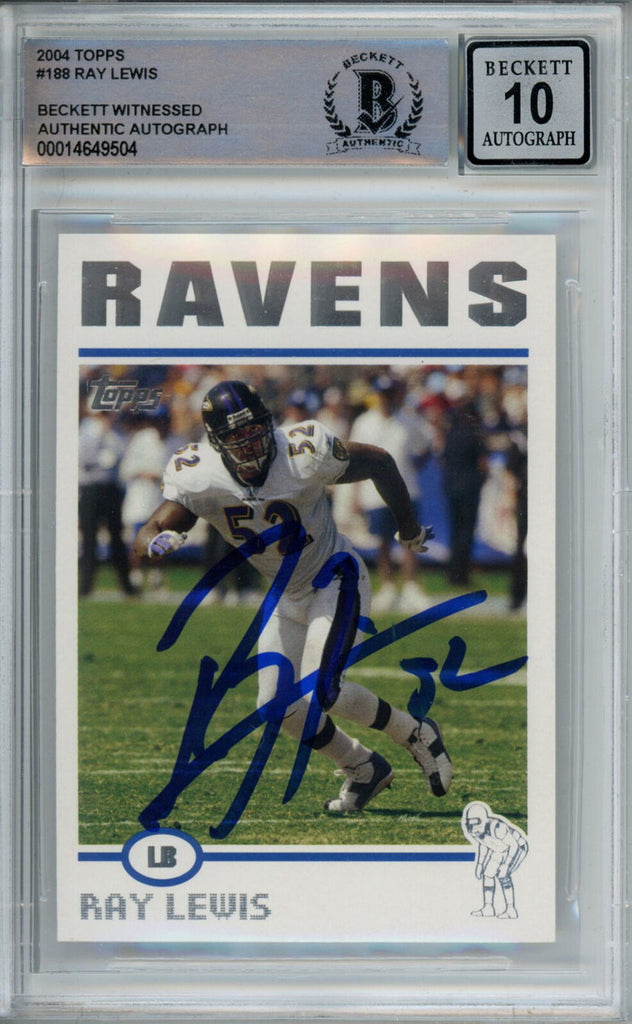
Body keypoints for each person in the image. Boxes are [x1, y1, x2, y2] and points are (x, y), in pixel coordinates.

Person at [134, 380, 452, 814]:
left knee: (323, 689)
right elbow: (150, 528)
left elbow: (379, 461)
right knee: (276, 705)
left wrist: (408, 528)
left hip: (336, 575)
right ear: (216, 443)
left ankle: (414, 732)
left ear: (268, 424)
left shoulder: (303, 451)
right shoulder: (200, 475)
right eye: (237, 437)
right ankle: (363, 768)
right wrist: (155, 541)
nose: (250, 445)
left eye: (254, 432)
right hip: (288, 593)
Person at [348, 375, 433, 614]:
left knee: (411, 539)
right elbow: (354, 459)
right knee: (382, 542)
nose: (386, 399)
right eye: (382, 394)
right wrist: (355, 495)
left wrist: (415, 466)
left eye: (389, 394)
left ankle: (411, 587)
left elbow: (426, 444)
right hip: (373, 493)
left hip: (406, 490)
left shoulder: (409, 420)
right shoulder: (364, 422)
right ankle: (387, 588)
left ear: (396, 395)